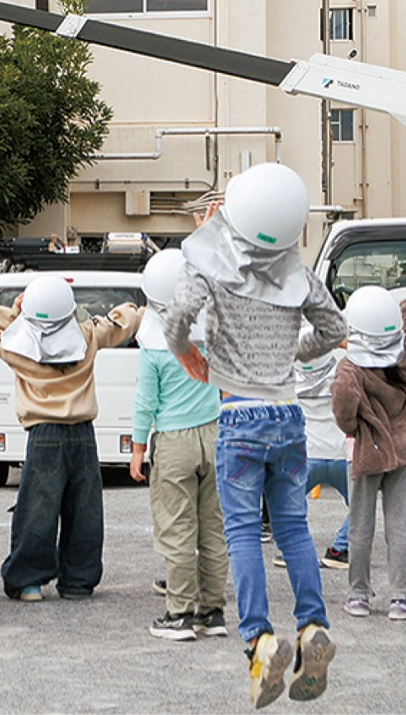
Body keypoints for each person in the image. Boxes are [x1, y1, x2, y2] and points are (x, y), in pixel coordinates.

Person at [163, 162, 345, 709]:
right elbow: (337, 329)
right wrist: (289, 352)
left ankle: (260, 641)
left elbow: (176, 318)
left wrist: (189, 353)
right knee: (293, 528)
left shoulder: (212, 267)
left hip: (238, 414)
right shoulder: (297, 272)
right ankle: (313, 625)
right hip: (288, 414)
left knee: (242, 533)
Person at [0, 274, 142, 603]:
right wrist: (134, 308)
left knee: (37, 509)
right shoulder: (86, 335)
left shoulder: (17, 348)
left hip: (43, 432)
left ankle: (28, 582)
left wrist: (17, 310)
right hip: (83, 433)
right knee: (85, 509)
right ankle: (78, 582)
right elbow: (122, 322)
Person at [129, 249, 229, 641]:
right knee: (213, 528)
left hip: (173, 441)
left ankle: (180, 614)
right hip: (214, 433)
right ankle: (213, 611)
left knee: (178, 528)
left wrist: (138, 449)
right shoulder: (211, 333)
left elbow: (145, 404)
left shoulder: (155, 345)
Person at [332, 285, 406, 620]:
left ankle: (358, 595)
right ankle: (401, 598)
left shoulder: (351, 368)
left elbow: (344, 407)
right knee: (398, 526)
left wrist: (354, 428)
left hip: (365, 452)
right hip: (401, 451)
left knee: (360, 527)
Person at [287, 341, 351, 569]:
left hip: (307, 455)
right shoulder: (341, 373)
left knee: (285, 505)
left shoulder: (291, 380)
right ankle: (339, 548)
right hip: (340, 453)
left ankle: (293, 552)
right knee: (361, 507)